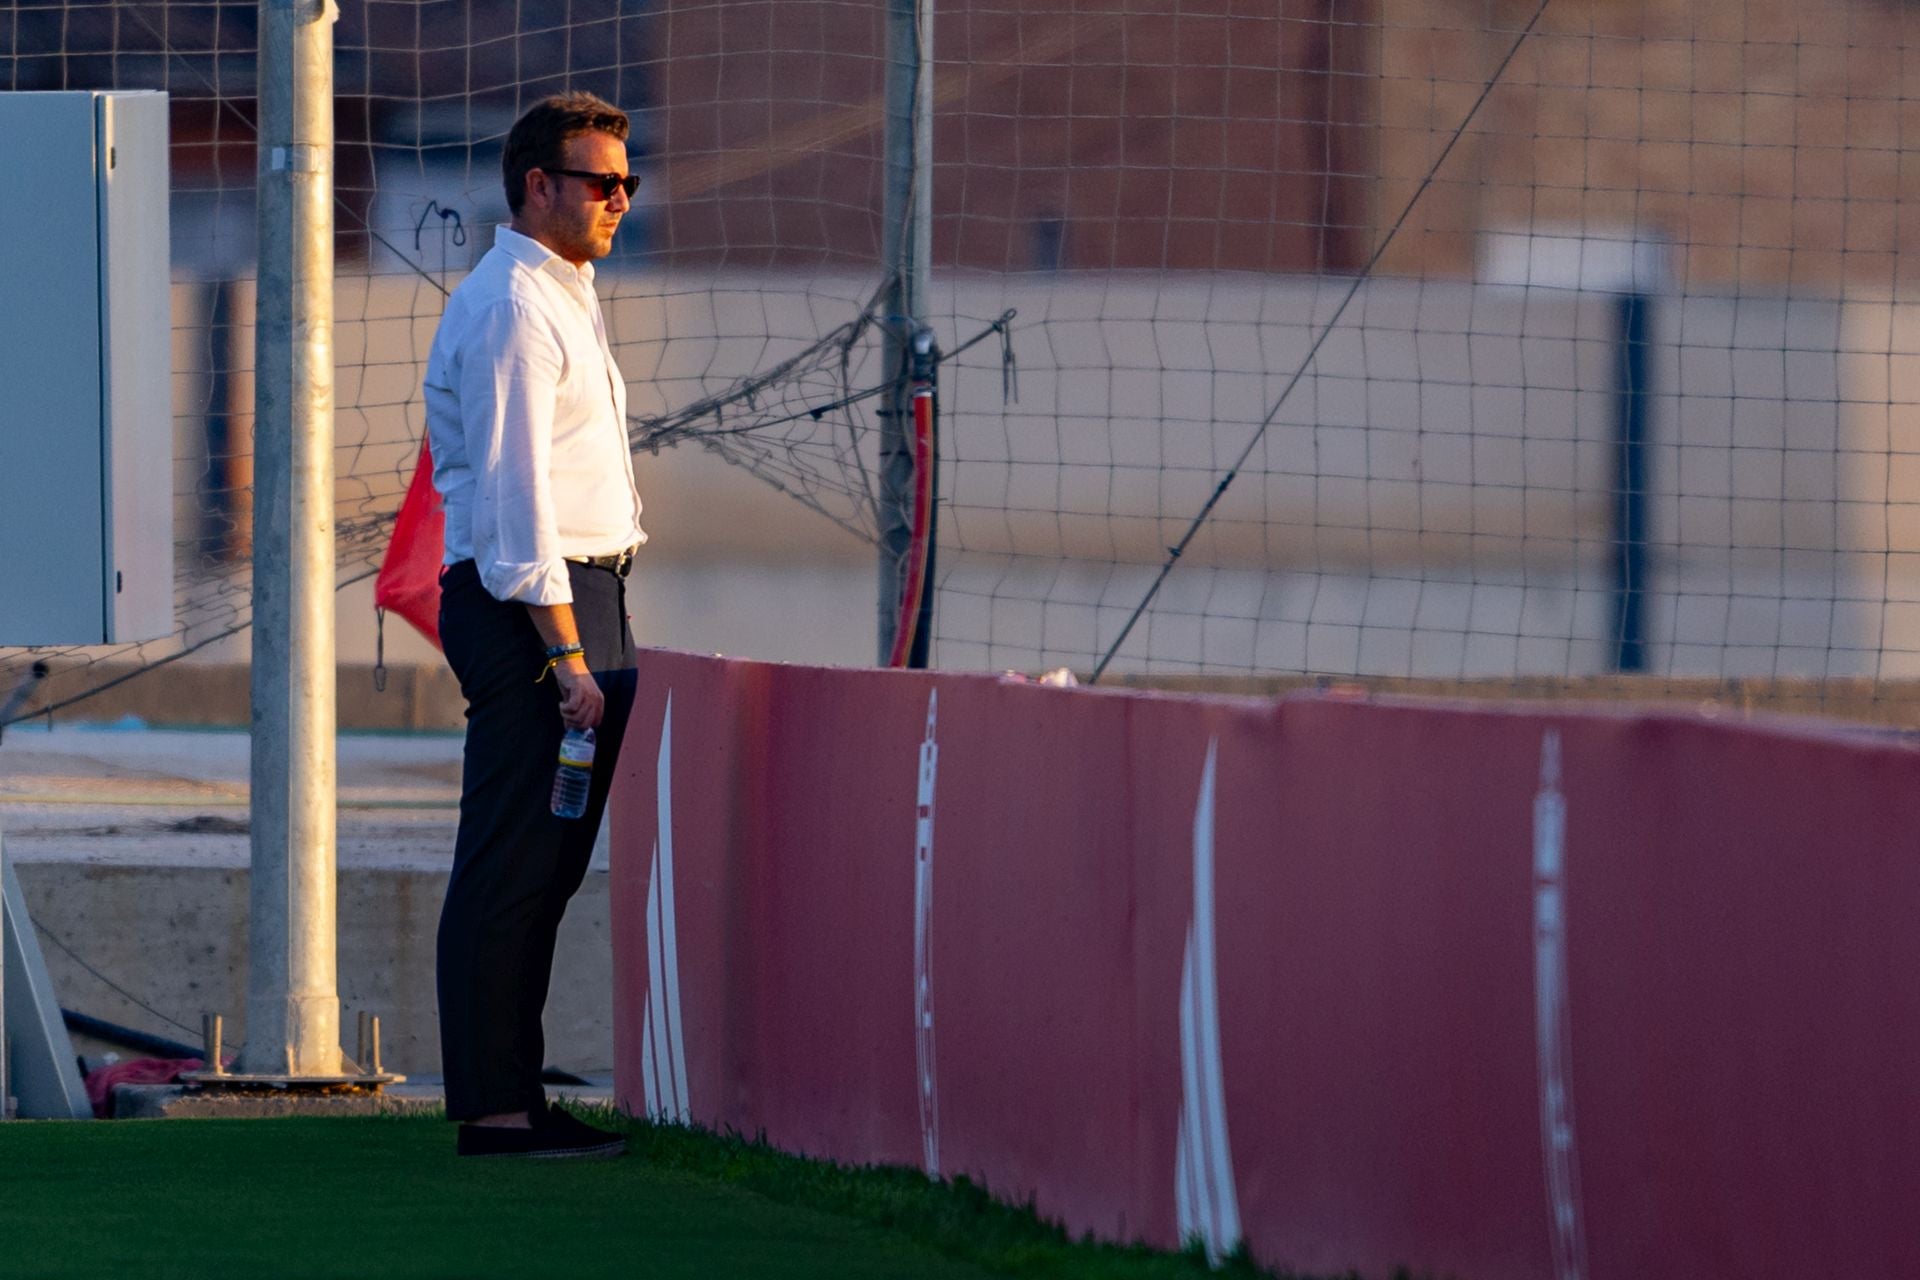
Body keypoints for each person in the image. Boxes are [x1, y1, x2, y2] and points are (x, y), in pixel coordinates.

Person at [423, 92, 645, 1158]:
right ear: (537, 185)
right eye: (599, 182)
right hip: (532, 613)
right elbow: (516, 507)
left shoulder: (566, 291)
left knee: (546, 866)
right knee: (513, 860)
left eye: (626, 183)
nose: (618, 200)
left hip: (582, 598)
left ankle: (513, 1090)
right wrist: (565, 652)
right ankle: (497, 1107)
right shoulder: (514, 303)